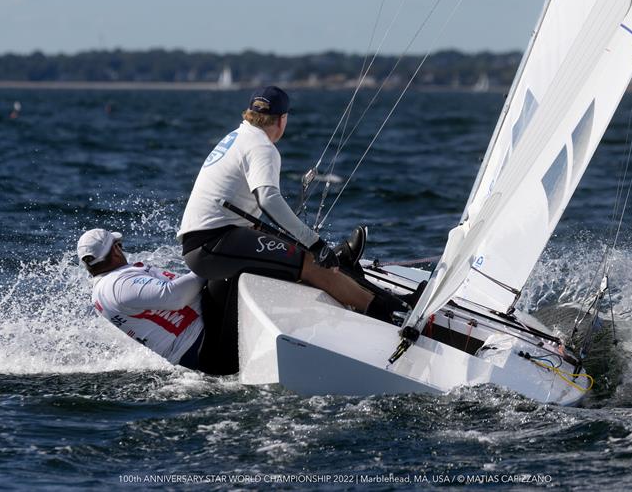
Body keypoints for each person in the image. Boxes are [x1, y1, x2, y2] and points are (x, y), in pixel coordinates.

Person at [178, 85, 406, 322]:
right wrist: (315, 244)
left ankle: (345, 266)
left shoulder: (236, 137)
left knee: (300, 254)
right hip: (212, 246)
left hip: (205, 243)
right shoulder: (261, 147)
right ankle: (388, 312)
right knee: (310, 263)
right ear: (281, 120)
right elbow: (267, 199)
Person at [77, 228, 237, 374]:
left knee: (226, 263)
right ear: (116, 250)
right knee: (229, 259)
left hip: (204, 349)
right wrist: (208, 263)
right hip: (212, 347)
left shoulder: (105, 287)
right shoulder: (118, 285)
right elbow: (175, 296)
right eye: (119, 244)